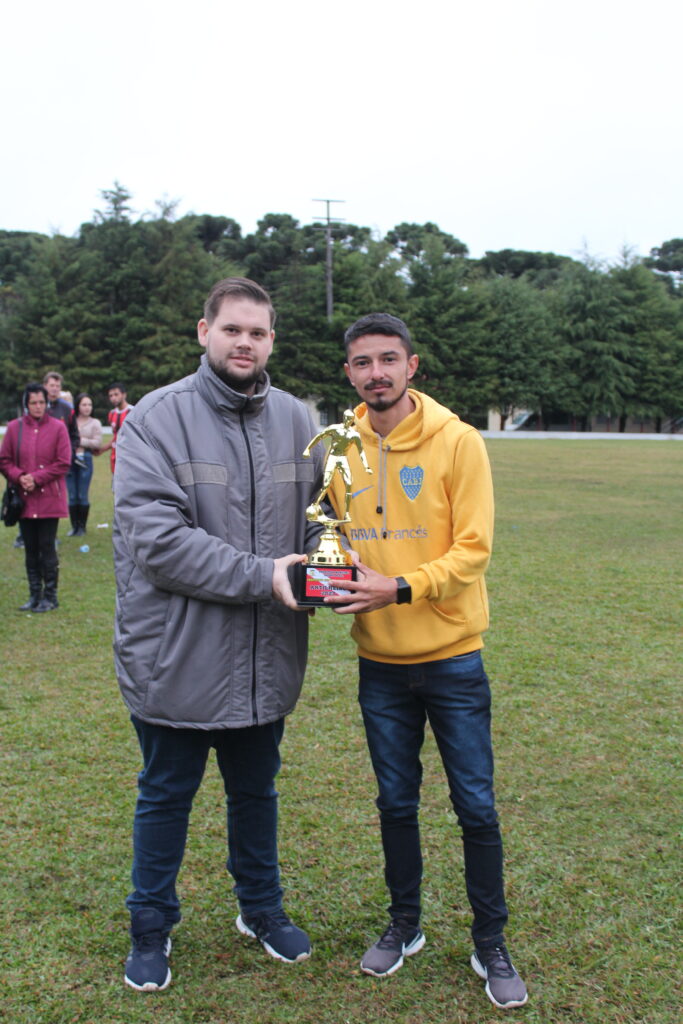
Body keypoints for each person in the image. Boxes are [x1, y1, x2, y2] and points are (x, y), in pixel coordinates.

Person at [113, 277, 324, 993]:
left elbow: (324, 521)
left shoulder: (301, 421)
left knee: (256, 791)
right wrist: (267, 575)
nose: (245, 343)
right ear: (202, 331)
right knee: (166, 792)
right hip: (177, 655)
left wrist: (336, 568)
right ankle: (150, 925)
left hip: (267, 657)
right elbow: (157, 542)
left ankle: (260, 909)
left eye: (258, 332)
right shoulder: (155, 419)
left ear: (272, 340)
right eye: (231, 329)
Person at [323, 313, 528, 1011]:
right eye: (361, 362)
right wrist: (329, 573)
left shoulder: (458, 442)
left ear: (413, 366)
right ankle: (403, 925)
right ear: (347, 372)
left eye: (387, 359)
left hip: (451, 659)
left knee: (475, 807)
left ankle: (490, 941)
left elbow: (473, 550)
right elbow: (328, 530)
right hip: (378, 664)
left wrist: (400, 586)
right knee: (393, 802)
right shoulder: (339, 447)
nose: (375, 372)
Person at [0, 383, 71, 612]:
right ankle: (34, 594)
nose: (38, 407)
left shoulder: (59, 428)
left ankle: (50, 596)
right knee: (30, 549)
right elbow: (4, 460)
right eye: (34, 403)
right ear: (26, 404)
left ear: (47, 403)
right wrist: (20, 477)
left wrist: (37, 478)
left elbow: (63, 462)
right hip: (24, 500)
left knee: (47, 547)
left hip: (50, 497)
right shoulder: (14, 428)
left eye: (42, 402)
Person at [66, 392, 102, 536]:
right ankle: (74, 526)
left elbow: (97, 443)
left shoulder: (95, 423)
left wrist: (79, 441)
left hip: (85, 459)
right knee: (72, 494)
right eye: (84, 404)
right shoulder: (71, 420)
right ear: (78, 405)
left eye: (89, 404)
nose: (87, 407)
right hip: (70, 459)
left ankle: (82, 526)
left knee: (82, 494)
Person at [98, 382, 133, 475]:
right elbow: (115, 437)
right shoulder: (112, 414)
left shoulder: (133, 412)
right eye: (111, 396)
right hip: (115, 457)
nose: (113, 398)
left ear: (124, 395)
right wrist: (103, 449)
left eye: (116, 394)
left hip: (129, 457)